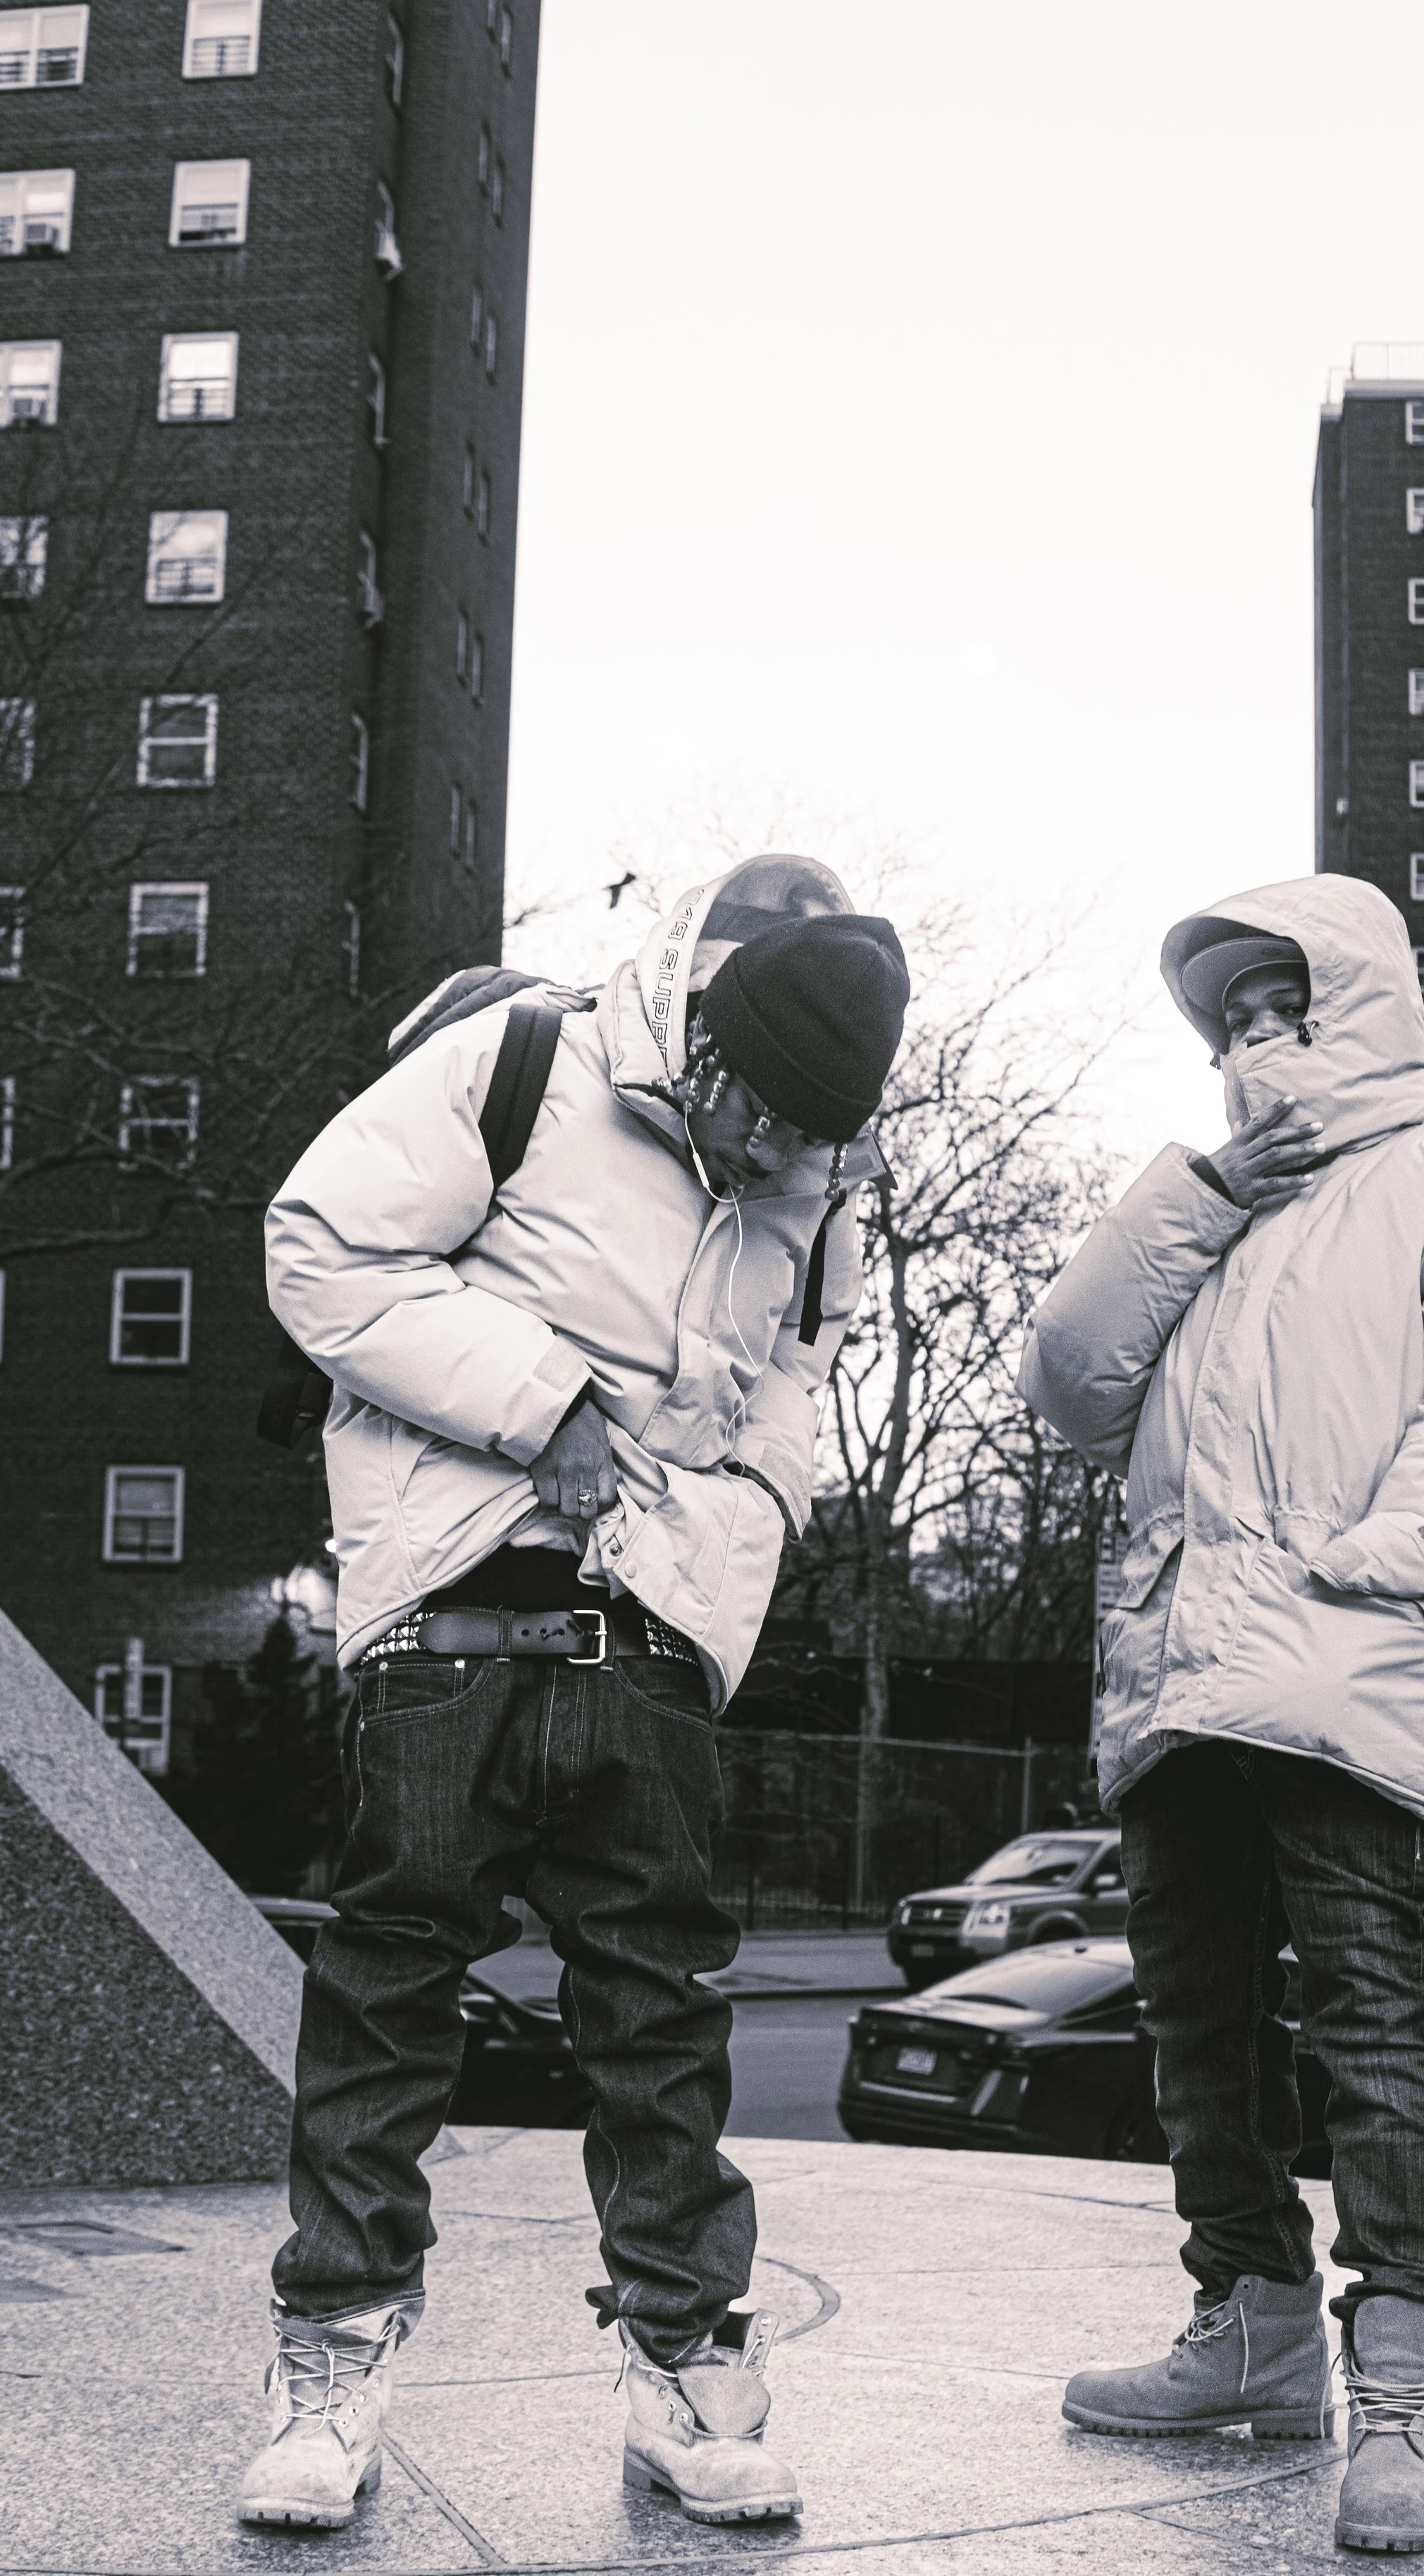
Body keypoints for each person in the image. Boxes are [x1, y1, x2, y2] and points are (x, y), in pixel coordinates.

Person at [237, 857, 909, 2534]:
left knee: (660, 2010)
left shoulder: (812, 1176)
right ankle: (329, 2363)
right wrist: (550, 1408)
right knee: (389, 1983)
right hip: (450, 1602)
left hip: (646, 1636)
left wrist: (710, 1588)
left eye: (810, 1145)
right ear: (708, 1043)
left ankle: (685, 2369)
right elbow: (318, 1247)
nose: (776, 1165)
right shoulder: (527, 1062)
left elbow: (785, 1408)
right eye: (761, 1125)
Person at [1019, 874, 1424, 2556]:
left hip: (1356, 1667)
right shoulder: (1200, 1213)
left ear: (1354, 1003)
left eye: (1281, 1003)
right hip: (1182, 1682)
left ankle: (1404, 2377)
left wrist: (1396, 1553)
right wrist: (1192, 1195)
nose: (1252, 1038)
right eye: (1230, 1017)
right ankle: (1252, 2331)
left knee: (1376, 2020)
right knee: (1190, 2022)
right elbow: (1067, 1384)